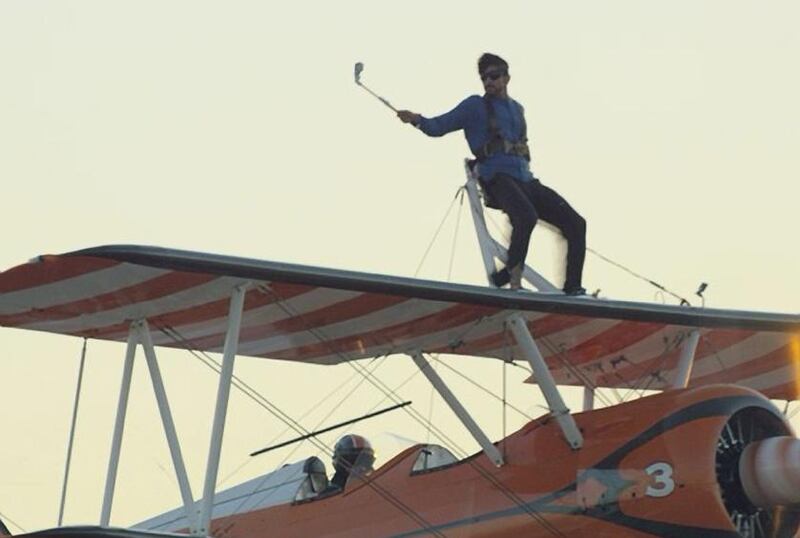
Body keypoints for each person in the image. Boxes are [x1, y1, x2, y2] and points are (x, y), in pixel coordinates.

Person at [397, 53, 587, 295]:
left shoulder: (517, 109)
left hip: (525, 180)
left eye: (494, 76)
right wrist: (416, 120)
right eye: (484, 77)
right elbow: (438, 127)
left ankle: (573, 287)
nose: (488, 81)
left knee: (576, 223)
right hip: (496, 178)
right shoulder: (474, 106)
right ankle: (511, 276)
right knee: (525, 217)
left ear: (507, 78)